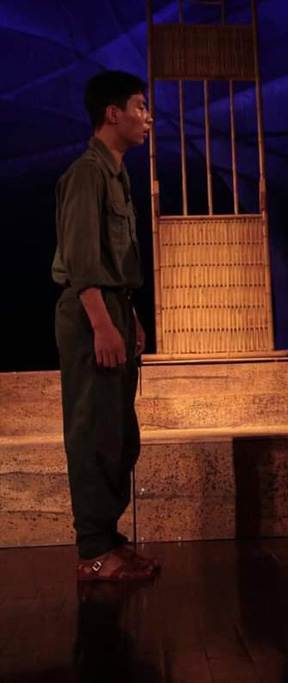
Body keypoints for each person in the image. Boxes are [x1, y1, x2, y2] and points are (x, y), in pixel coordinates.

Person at [52, 70, 159, 580]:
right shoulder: (87, 174)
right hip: (89, 310)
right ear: (112, 113)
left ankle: (109, 538)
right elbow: (80, 259)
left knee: (119, 432)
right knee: (94, 429)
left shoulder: (117, 174)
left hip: (114, 305)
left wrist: (127, 316)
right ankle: (92, 550)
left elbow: (115, 257)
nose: (148, 118)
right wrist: (101, 323)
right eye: (140, 107)